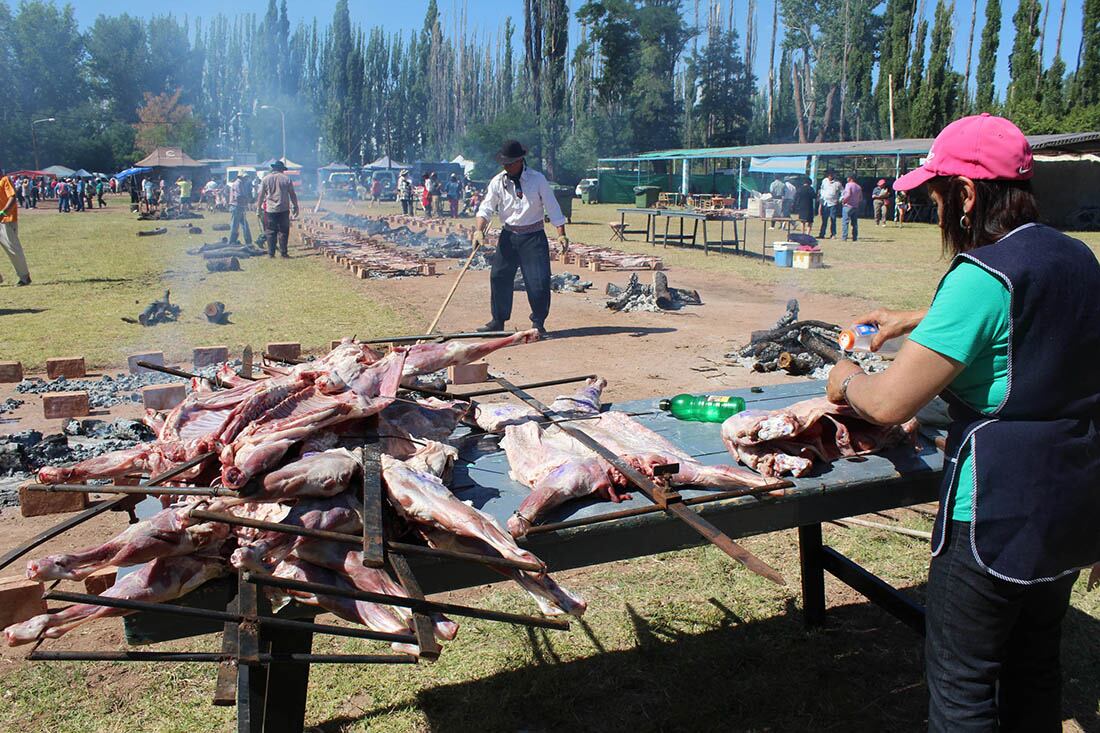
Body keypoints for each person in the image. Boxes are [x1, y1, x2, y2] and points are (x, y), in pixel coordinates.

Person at [824, 114, 1100, 732]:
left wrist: (843, 378)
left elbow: (891, 402)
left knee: (964, 689)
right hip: (1071, 505)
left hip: (995, 511)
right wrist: (910, 317)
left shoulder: (977, 277)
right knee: (1035, 668)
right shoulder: (1079, 259)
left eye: (937, 194)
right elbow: (1021, 308)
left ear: (968, 194)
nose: (936, 209)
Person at [473, 139, 568, 338]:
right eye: (504, 163)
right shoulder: (498, 181)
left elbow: (553, 207)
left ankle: (538, 323)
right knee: (499, 276)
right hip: (508, 235)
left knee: (538, 280)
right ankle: (498, 320)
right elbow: (486, 207)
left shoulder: (537, 179)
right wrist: (479, 230)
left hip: (533, 237)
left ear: (520, 161)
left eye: (509, 163)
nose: (506, 166)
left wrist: (561, 235)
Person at [258, 160, 299, 258]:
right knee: (283, 231)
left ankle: (271, 254)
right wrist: (295, 206)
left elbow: (261, 195)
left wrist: (258, 208)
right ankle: (283, 253)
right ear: (280, 169)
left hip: (270, 210)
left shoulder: (265, 179)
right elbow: (292, 194)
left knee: (270, 231)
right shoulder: (286, 179)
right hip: (283, 209)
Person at [0, 166, 32, 286]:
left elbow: (12, 198)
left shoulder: (5, 180)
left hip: (5, 220)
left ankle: (24, 277)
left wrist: (4, 212)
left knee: (12, 249)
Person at [228, 170, 253, 246]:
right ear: (240, 177)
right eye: (244, 177)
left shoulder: (242, 183)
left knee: (245, 224)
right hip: (236, 206)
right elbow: (239, 196)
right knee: (235, 225)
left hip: (240, 206)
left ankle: (248, 241)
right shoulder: (237, 184)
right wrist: (247, 200)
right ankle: (232, 241)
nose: (246, 178)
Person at [817, 170, 842, 238]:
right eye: (829, 175)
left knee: (833, 219)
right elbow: (821, 190)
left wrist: (839, 200)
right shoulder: (824, 181)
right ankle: (822, 234)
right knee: (824, 219)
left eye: (831, 175)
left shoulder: (838, 183)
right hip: (825, 203)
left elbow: (843, 192)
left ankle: (833, 234)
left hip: (833, 203)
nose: (830, 176)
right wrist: (821, 199)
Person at [840, 175, 863, 242]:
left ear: (850, 178)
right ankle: (855, 237)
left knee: (845, 222)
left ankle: (844, 237)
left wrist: (844, 201)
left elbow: (848, 194)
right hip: (855, 206)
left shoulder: (848, 185)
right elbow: (860, 198)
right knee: (854, 223)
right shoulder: (859, 187)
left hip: (848, 206)